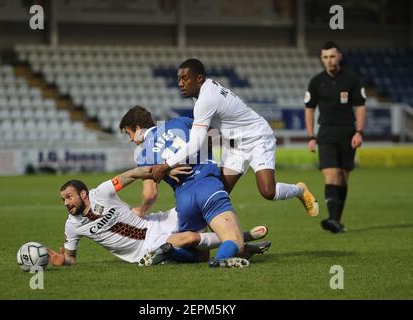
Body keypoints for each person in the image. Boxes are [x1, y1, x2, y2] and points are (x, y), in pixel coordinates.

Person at [148, 58, 319, 218]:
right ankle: (234, 241)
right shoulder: (202, 92)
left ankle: (299, 190)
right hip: (235, 145)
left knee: (268, 192)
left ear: (199, 78)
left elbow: (196, 142)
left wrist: (165, 165)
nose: (180, 84)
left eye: (185, 79)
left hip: (258, 138)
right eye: (179, 79)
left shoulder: (206, 99)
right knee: (218, 194)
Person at [47, 166, 270, 267]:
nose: (66, 203)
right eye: (63, 200)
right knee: (191, 239)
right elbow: (70, 258)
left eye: (68, 197)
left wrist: (161, 170)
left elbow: (132, 174)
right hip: (145, 248)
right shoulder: (72, 226)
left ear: (83, 194)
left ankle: (239, 243)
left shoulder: (102, 192)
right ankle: (241, 238)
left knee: (196, 211)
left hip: (156, 221)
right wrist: (57, 259)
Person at [119, 106, 254, 268]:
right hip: (207, 186)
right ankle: (221, 259)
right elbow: (214, 136)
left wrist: (141, 210)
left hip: (184, 201)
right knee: (236, 240)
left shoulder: (144, 156)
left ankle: (171, 251)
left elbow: (150, 194)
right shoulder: (179, 122)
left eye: (129, 134)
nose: (131, 139)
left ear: (138, 128)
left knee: (199, 253)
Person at [304, 41, 366, 233]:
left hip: (348, 133)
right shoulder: (316, 82)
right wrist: (311, 136)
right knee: (331, 175)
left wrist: (359, 132)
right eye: (325, 57)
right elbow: (309, 109)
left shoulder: (352, 79)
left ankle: (337, 221)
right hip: (326, 133)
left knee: (343, 177)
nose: (329, 61)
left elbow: (361, 106)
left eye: (332, 56)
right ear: (321, 59)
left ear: (339, 56)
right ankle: (332, 218)